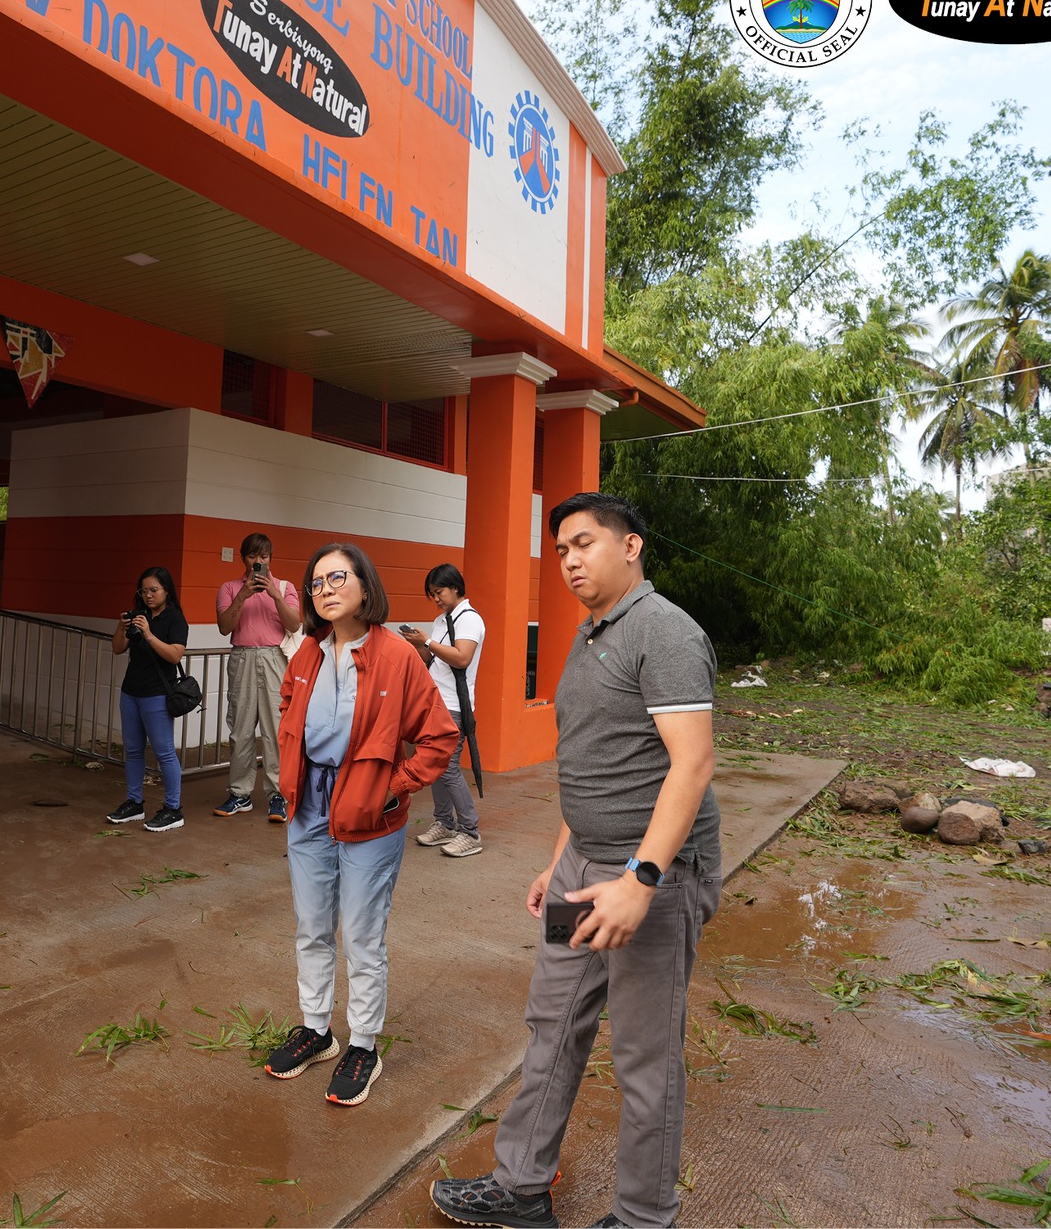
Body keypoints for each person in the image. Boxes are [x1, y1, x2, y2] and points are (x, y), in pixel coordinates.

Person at [431, 492, 720, 1229]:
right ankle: (521, 1187)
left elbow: (691, 767)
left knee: (645, 1058)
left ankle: (644, 1216)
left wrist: (641, 881)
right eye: (560, 549)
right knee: (553, 1021)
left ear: (631, 547)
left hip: (649, 879)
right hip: (581, 870)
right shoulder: (590, 634)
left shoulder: (665, 632)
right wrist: (558, 861)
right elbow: (591, 764)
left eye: (584, 543)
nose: (568, 561)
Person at [260, 543, 459, 1107]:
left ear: (365, 587)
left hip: (371, 816)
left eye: (336, 578)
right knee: (312, 924)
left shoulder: (396, 655)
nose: (324, 589)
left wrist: (391, 788)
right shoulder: (308, 651)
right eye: (316, 581)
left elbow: (440, 736)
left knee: (363, 936)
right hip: (309, 808)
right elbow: (287, 705)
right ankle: (317, 1029)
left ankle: (364, 1045)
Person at [399, 563, 485, 858]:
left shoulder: (470, 619)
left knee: (447, 768)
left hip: (454, 706)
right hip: (435, 702)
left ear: (455, 588)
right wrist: (417, 644)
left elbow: (461, 658)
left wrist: (428, 641)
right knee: (434, 767)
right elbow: (431, 658)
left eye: (439, 592)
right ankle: (445, 824)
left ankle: (470, 831)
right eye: (432, 594)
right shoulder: (441, 620)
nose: (435, 598)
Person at [215, 533, 302, 821]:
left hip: (275, 658)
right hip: (242, 656)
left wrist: (274, 594)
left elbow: (294, 623)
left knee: (276, 730)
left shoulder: (286, 587)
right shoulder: (229, 587)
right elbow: (224, 627)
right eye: (253, 557)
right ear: (244, 558)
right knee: (240, 729)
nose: (258, 562)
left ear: (270, 558)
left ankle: (278, 794)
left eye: (263, 557)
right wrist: (244, 594)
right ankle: (240, 793)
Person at [104, 566, 191, 833]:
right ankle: (134, 802)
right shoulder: (138, 615)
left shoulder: (175, 619)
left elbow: (175, 655)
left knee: (164, 752)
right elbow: (118, 648)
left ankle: (173, 809)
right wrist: (123, 626)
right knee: (132, 749)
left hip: (157, 694)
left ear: (166, 590)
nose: (148, 595)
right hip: (131, 691)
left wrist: (149, 634)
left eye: (154, 590)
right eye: (144, 590)